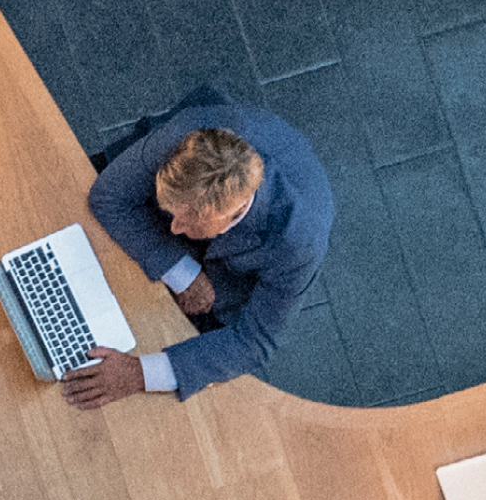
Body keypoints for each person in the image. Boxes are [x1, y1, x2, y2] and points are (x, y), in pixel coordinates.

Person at [62, 91, 332, 409]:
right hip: (149, 204)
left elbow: (256, 339)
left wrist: (139, 374)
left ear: (231, 213)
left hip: (226, 284)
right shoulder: (186, 137)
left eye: (187, 223)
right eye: (173, 215)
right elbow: (109, 196)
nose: (174, 229)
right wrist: (181, 270)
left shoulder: (298, 241)